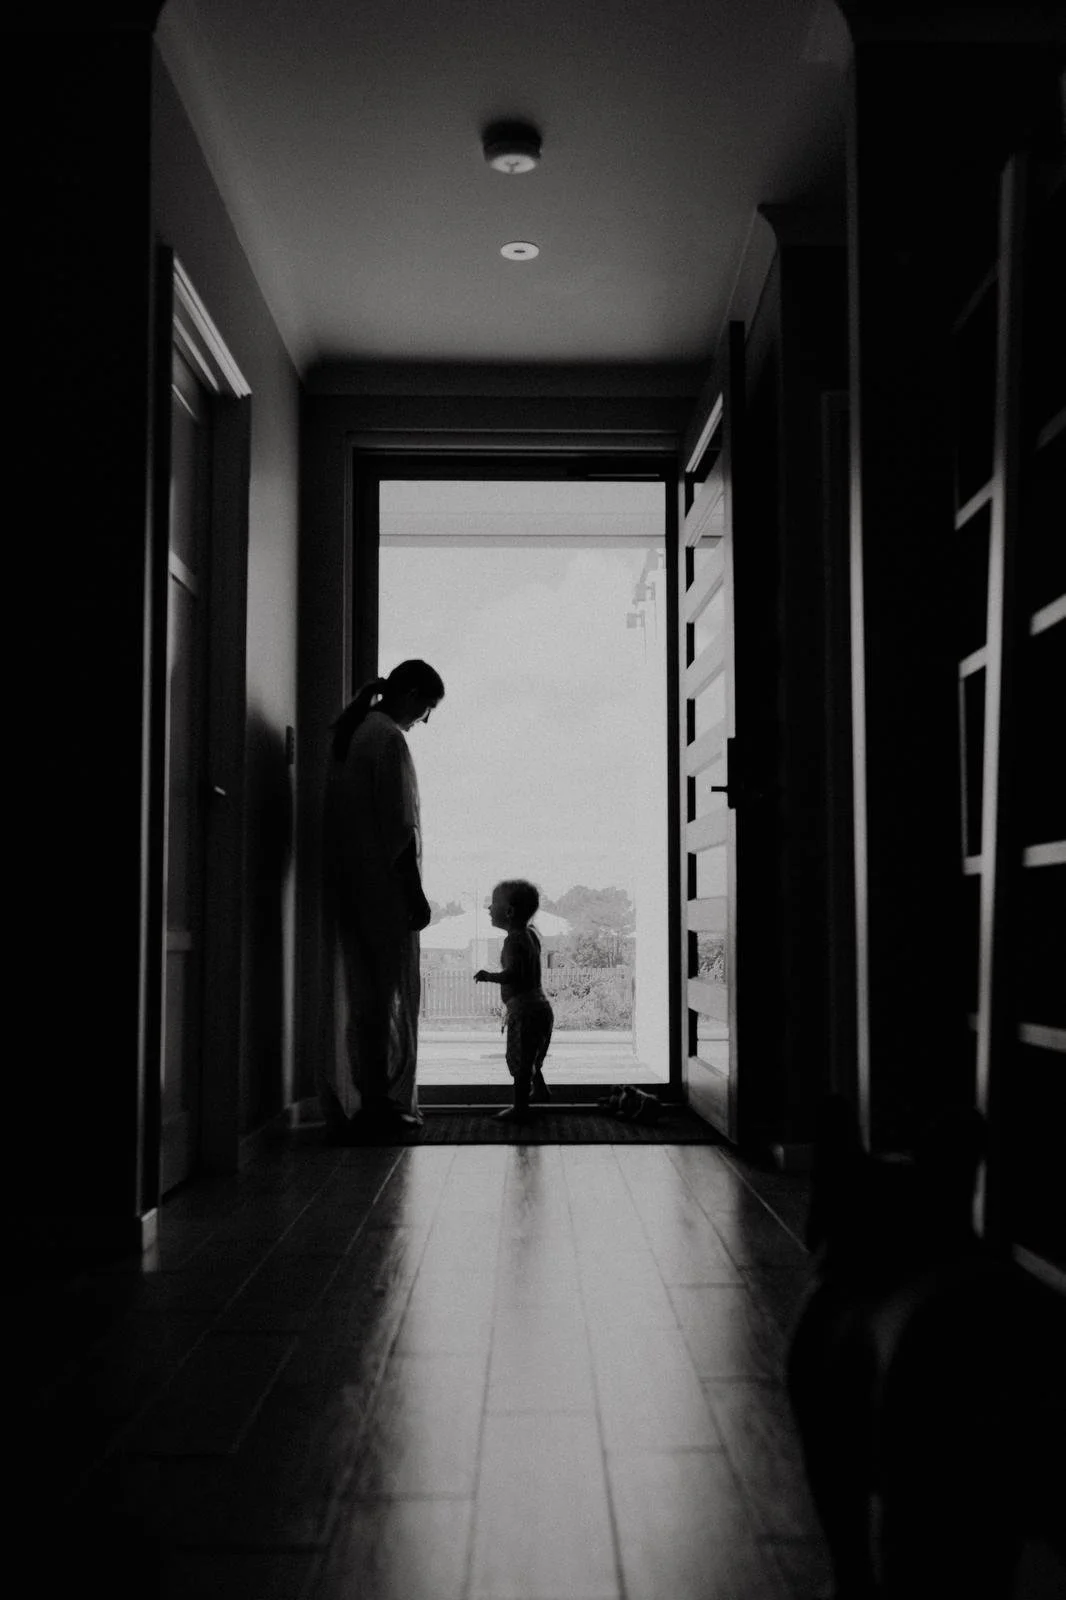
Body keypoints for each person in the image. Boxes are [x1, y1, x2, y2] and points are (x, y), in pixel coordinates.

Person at [322, 659, 444, 1139]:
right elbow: (399, 829)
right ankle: (381, 1103)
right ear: (411, 694)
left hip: (353, 887)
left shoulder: (354, 735)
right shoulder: (388, 740)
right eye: (427, 708)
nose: (424, 720)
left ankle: (369, 1098)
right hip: (381, 892)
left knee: (366, 996)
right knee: (385, 997)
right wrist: (415, 894)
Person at [475, 879, 554, 1122]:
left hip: (524, 1011)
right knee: (532, 1056)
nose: (488, 908)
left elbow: (514, 974)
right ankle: (540, 1090)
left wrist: (488, 976)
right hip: (541, 1008)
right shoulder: (531, 935)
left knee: (520, 1062)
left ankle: (520, 1108)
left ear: (508, 912)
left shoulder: (513, 940)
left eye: (493, 904)